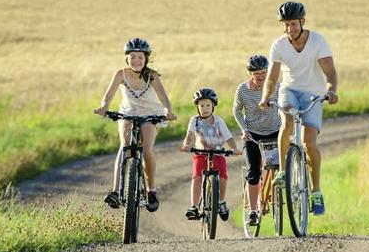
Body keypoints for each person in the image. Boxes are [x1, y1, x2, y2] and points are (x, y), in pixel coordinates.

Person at [259, 1, 339, 215]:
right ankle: (284, 172)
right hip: (290, 91)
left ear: (303, 22)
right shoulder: (279, 45)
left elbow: (330, 73)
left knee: (309, 144)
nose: (289, 29)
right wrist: (266, 97)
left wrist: (331, 90)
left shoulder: (317, 41)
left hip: (313, 94)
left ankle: (316, 192)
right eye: (285, 25)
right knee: (287, 121)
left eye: (293, 24)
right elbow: (272, 77)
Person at [93, 37, 176, 212]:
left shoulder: (152, 75)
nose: (136, 61)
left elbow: (164, 97)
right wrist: (104, 107)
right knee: (125, 147)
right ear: (127, 58)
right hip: (128, 113)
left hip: (149, 115)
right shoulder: (120, 74)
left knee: (146, 150)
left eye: (140, 57)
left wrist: (168, 111)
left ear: (146, 58)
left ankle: (151, 190)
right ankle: (116, 191)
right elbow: (108, 95)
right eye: (132, 57)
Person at [233, 54, 281, 226]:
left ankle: (279, 197)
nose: (261, 77)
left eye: (264, 72)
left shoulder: (277, 86)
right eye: (257, 73)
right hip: (253, 134)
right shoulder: (243, 90)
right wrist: (244, 129)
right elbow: (237, 111)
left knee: (280, 168)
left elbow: (284, 105)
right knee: (253, 174)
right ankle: (253, 211)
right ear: (250, 74)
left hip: (276, 132)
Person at [179, 87, 239, 221]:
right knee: (197, 177)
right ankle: (194, 206)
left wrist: (234, 148)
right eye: (201, 105)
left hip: (218, 154)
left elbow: (228, 137)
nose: (205, 108)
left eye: (208, 105)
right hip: (201, 154)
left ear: (213, 106)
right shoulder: (195, 120)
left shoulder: (219, 121)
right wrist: (187, 145)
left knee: (223, 177)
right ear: (197, 107)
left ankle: (221, 202)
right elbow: (190, 134)